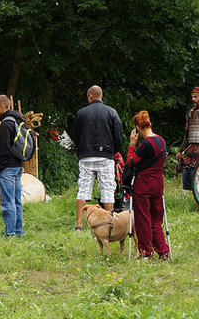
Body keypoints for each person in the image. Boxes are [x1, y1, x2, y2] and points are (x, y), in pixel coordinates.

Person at [73, 85, 123, 231]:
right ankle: (109, 222)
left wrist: (81, 150)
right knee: (107, 188)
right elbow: (118, 136)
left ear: (90, 95)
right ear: (100, 96)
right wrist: (114, 152)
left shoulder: (81, 113)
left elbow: (76, 134)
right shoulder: (111, 112)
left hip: (86, 155)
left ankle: (79, 224)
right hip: (106, 156)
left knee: (83, 189)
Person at [126, 111, 170, 260]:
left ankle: (146, 252)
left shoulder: (145, 145)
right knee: (157, 219)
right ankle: (163, 251)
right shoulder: (162, 141)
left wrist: (132, 145)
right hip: (158, 184)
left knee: (143, 219)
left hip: (143, 185)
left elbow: (131, 161)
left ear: (138, 128)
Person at [0, 95, 25, 237]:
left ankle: (10, 232)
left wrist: (0, 167)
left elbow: (4, 148)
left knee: (7, 202)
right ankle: (18, 231)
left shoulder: (6, 124)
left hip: (8, 169)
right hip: (18, 165)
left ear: (2, 106)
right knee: (17, 201)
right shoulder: (18, 120)